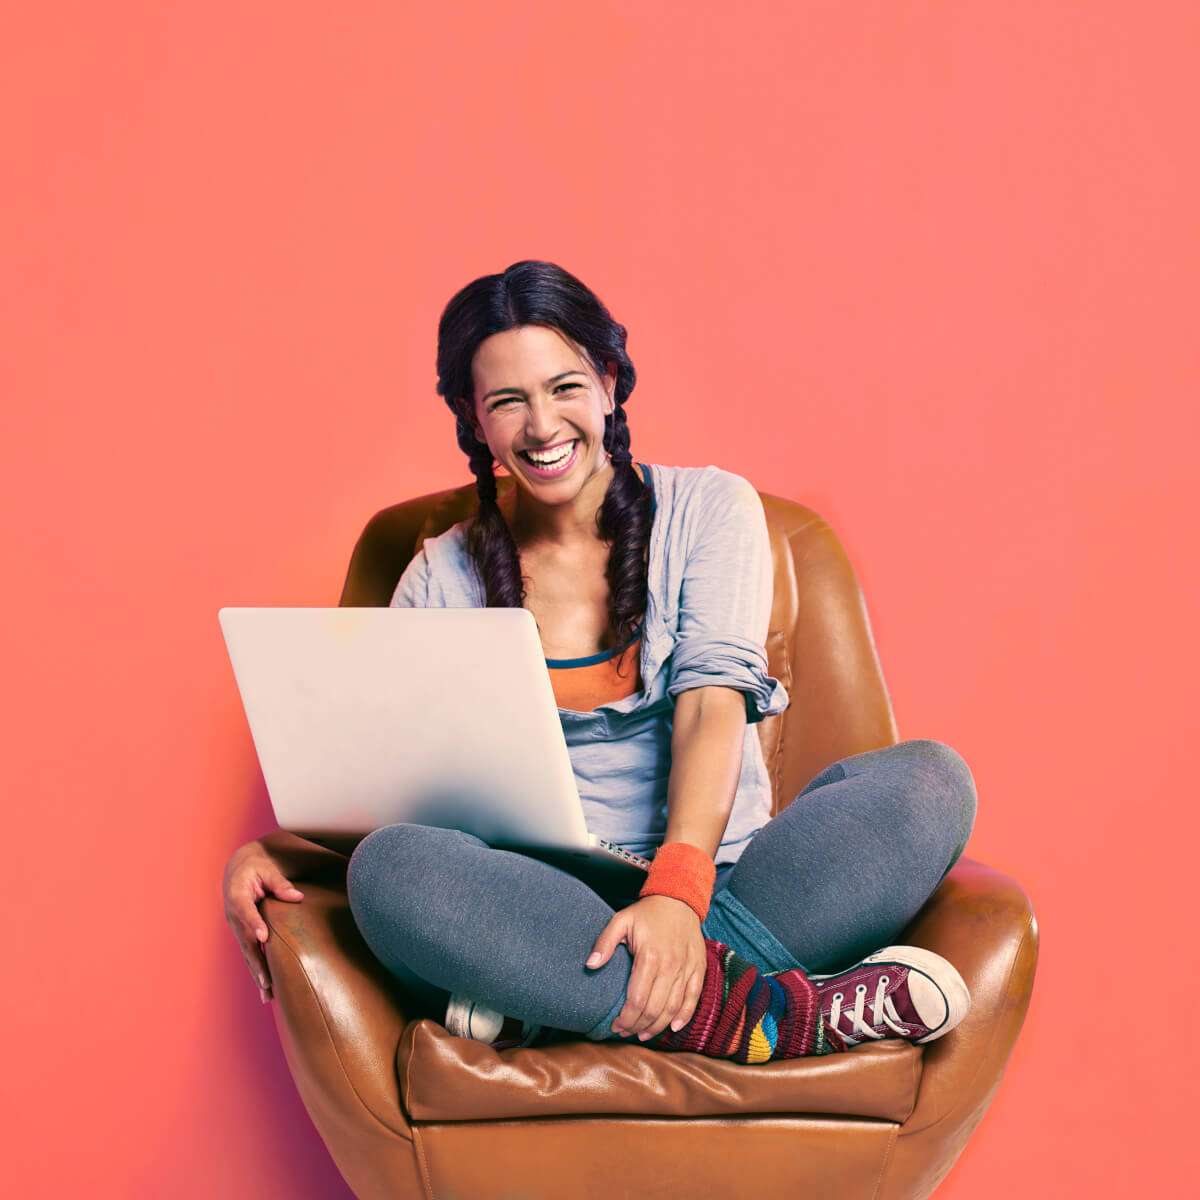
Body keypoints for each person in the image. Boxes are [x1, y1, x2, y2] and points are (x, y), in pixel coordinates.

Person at [223, 259, 978, 1064]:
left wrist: (678, 901)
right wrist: (277, 849)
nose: (542, 426)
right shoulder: (441, 574)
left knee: (930, 781)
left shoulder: (711, 509)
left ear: (610, 381)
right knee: (391, 869)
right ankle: (767, 1019)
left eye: (564, 387)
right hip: (547, 905)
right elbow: (398, 789)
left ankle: (554, 1003)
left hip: (727, 879)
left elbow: (711, 705)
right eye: (507, 401)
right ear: (473, 420)